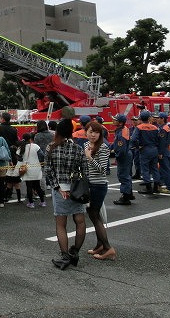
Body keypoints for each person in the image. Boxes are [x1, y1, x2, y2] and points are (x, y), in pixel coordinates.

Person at [44, 119, 88, 270]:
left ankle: (64, 257)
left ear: (57, 132)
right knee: (80, 221)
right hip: (76, 189)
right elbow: (85, 170)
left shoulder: (51, 147)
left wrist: (57, 187)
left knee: (61, 224)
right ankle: (75, 252)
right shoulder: (77, 148)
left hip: (60, 190)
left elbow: (48, 171)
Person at [83, 121, 116, 260]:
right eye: (90, 131)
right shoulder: (85, 145)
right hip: (89, 184)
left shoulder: (103, 147)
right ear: (86, 132)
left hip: (98, 185)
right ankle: (99, 245)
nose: (93, 135)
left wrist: (90, 158)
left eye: (96, 132)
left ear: (100, 133)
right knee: (93, 215)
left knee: (95, 215)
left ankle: (108, 248)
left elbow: (103, 169)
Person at [132, 110, 162, 195]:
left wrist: (138, 146)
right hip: (154, 149)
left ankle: (148, 188)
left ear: (141, 118)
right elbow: (159, 140)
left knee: (145, 169)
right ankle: (156, 187)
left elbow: (133, 139)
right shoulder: (155, 127)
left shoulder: (139, 127)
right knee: (155, 168)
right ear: (149, 118)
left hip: (145, 149)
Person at [110, 114, 134, 205]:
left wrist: (117, 157)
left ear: (120, 123)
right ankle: (129, 193)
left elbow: (121, 149)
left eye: (115, 120)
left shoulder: (121, 134)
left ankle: (125, 197)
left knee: (123, 176)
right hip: (127, 154)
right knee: (127, 175)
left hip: (124, 155)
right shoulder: (123, 130)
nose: (113, 121)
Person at [18, 133, 46, 208]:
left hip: (26, 168)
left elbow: (19, 158)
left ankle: (31, 203)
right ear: (30, 139)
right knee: (38, 186)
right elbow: (42, 155)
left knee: (29, 186)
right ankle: (43, 202)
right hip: (36, 167)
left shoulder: (21, 147)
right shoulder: (35, 146)